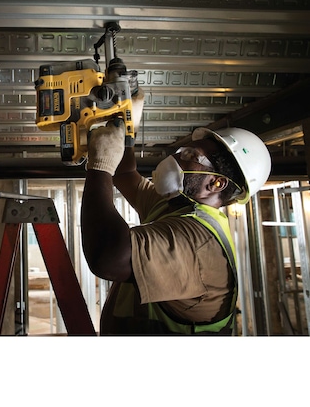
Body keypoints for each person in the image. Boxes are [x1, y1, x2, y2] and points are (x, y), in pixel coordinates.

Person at [81, 97, 271, 335]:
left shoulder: (199, 241)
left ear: (216, 183)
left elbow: (107, 258)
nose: (177, 155)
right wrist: (125, 124)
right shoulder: (176, 206)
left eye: (191, 155)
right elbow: (125, 173)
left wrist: (99, 167)